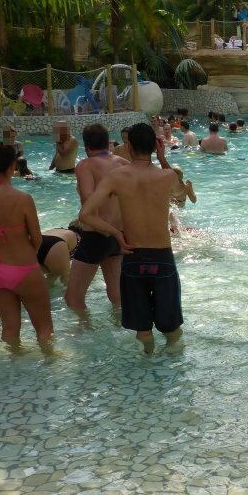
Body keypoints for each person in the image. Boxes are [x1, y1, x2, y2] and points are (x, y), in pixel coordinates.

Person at [79, 122, 184, 354]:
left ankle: (147, 360)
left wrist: (116, 233)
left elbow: (85, 214)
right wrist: (163, 159)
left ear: (128, 146)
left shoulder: (116, 177)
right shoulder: (166, 176)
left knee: (143, 330)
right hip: (162, 258)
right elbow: (181, 193)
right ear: (155, 146)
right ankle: (172, 359)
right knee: (171, 328)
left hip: (133, 256)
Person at [0, 142, 53, 346]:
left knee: (9, 328)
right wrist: (29, 254)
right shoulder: (22, 199)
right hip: (22, 267)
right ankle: (49, 363)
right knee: (44, 329)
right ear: (12, 166)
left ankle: (14, 364)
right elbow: (37, 238)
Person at [64, 123, 129, 314]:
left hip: (97, 235)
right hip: (119, 235)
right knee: (117, 295)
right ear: (108, 143)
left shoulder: (86, 165)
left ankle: (85, 328)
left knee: (73, 299)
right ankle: (122, 324)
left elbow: (88, 200)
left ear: (86, 147)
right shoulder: (124, 164)